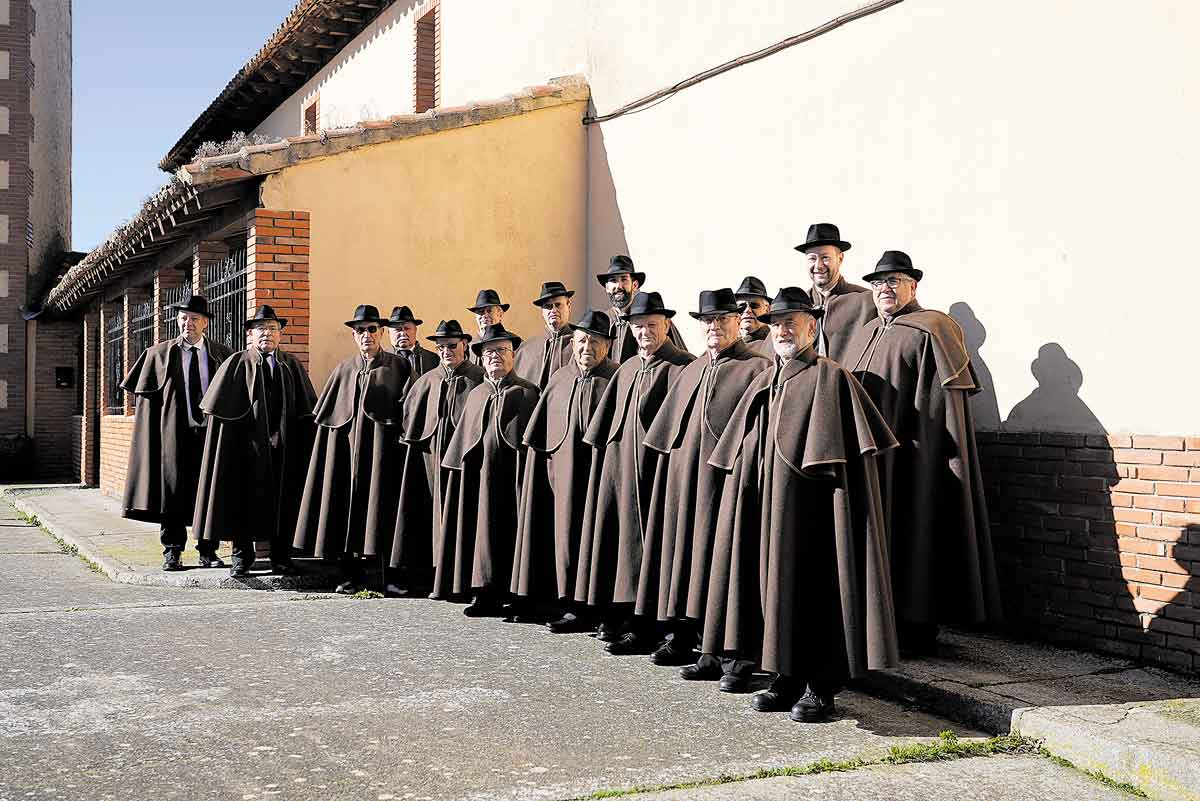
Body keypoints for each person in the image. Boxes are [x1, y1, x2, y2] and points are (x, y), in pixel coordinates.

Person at [707, 286, 900, 722]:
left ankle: (820, 686)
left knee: (818, 589)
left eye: (791, 322)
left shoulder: (832, 377)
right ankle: (785, 678)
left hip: (817, 514)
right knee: (772, 588)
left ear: (811, 326)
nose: (782, 330)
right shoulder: (764, 380)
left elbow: (848, 460)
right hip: (768, 510)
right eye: (776, 323)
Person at [844, 251, 1003, 653]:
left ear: (913, 286)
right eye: (879, 282)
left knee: (916, 533)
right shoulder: (865, 333)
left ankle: (916, 625)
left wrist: (929, 457)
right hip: (872, 456)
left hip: (916, 457)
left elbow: (943, 406)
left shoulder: (933, 328)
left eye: (894, 280)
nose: (885, 288)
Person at [638, 289, 772, 670]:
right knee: (683, 559)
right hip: (684, 482)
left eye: (722, 319)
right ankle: (682, 637)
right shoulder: (692, 369)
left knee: (722, 563)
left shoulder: (756, 368)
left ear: (736, 322)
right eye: (708, 321)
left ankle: (726, 651)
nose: (715, 327)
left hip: (724, 483)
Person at [574, 291, 695, 653]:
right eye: (638, 326)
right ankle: (634, 625)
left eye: (651, 326)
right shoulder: (626, 368)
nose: (644, 333)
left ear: (667, 326)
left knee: (663, 549)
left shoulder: (682, 368)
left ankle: (672, 634)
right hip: (624, 474)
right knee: (627, 551)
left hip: (658, 476)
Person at [512, 310, 619, 633]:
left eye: (596, 342)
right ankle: (569, 604)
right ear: (573, 343)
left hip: (599, 477)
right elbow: (540, 434)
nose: (588, 347)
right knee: (564, 540)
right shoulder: (559, 378)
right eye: (582, 341)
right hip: (562, 477)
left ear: (608, 346)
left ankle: (602, 609)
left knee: (601, 540)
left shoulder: (616, 377)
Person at [191, 305, 317, 576]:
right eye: (261, 329)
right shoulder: (236, 363)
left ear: (280, 334)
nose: (267, 334)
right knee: (242, 501)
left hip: (283, 450)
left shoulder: (290, 364)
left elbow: (305, 410)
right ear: (250, 333)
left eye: (272, 329)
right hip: (245, 451)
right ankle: (241, 558)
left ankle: (281, 557)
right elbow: (221, 416)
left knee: (284, 502)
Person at [293, 305, 410, 594]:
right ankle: (348, 576)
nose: (366, 335)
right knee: (346, 510)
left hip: (384, 454)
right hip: (347, 454)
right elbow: (329, 417)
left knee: (383, 509)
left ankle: (387, 578)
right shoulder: (344, 369)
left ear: (382, 332)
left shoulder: (398, 366)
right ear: (354, 335)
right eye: (360, 331)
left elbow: (408, 409)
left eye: (372, 329)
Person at [120, 294, 232, 572]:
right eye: (183, 318)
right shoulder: (158, 354)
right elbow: (146, 405)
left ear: (206, 323)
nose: (188, 323)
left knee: (209, 490)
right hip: (173, 434)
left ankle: (208, 550)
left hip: (209, 434)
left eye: (194, 318)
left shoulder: (222, 354)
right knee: (171, 491)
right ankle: (172, 551)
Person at [437, 323, 541, 616]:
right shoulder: (477, 395)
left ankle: (521, 597)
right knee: (481, 531)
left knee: (518, 531)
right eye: (489, 351)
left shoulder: (527, 392)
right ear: (481, 358)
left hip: (515, 481)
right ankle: (485, 594)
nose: (495, 356)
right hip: (481, 480)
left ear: (513, 355)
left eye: (502, 350)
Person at [389, 320, 485, 597]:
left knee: (464, 519)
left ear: (464, 345)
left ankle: (464, 583)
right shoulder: (426, 380)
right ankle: (430, 579)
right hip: (430, 462)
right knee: (428, 520)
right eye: (441, 346)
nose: (446, 351)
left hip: (465, 465)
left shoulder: (478, 378)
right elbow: (410, 422)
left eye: (452, 346)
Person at [794, 223, 875, 363]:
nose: (818, 266)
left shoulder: (866, 301)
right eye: (812, 258)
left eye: (825, 257)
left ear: (840, 258)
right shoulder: (798, 305)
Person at [596, 255, 688, 362]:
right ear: (607, 287)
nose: (619, 286)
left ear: (634, 285)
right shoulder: (602, 322)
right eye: (613, 280)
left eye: (624, 279)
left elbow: (679, 359)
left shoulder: (654, 318)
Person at [512, 281, 574, 389]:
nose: (553, 310)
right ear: (542, 311)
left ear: (568, 306)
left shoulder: (581, 344)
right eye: (548, 306)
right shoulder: (525, 349)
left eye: (558, 305)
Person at [385, 305, 439, 385]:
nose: (403, 333)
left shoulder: (433, 359)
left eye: (407, 328)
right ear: (389, 333)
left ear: (415, 330)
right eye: (398, 329)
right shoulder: (381, 360)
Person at [466, 289, 512, 364]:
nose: (485, 315)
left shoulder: (511, 344)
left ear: (500, 315)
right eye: (480, 312)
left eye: (489, 311)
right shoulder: (468, 347)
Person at [733, 276, 774, 357]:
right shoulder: (728, 345)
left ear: (768, 309)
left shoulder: (775, 345)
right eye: (742, 306)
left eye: (754, 305)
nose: (748, 310)